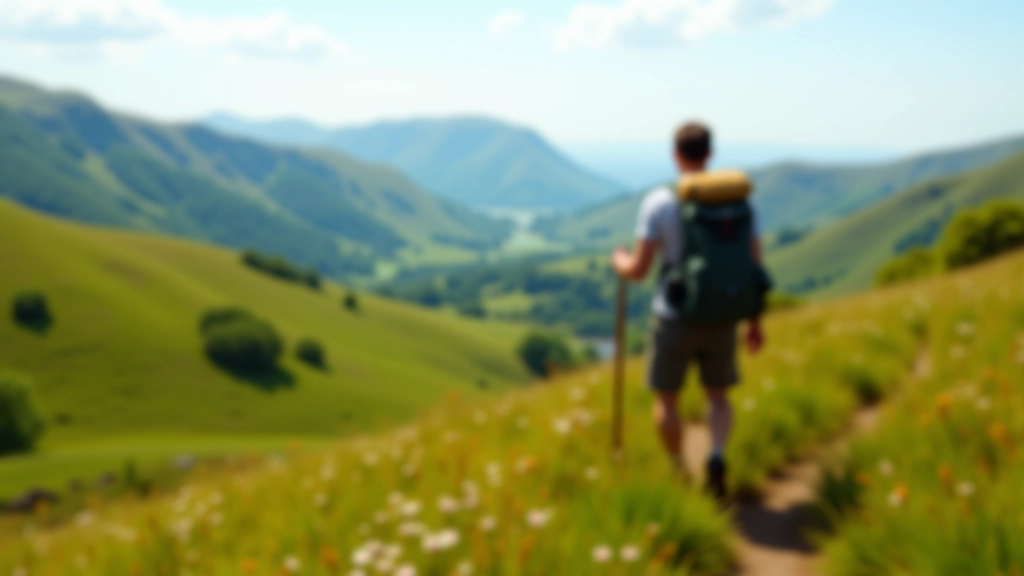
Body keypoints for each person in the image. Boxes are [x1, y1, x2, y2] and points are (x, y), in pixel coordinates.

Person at [610, 121, 764, 498]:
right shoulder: (740, 204)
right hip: (723, 314)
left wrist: (620, 262)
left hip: (673, 315)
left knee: (666, 399)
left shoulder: (661, 202)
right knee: (718, 396)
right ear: (710, 154)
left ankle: (679, 468)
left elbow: (640, 270)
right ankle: (716, 454)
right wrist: (754, 321)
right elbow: (753, 264)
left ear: (675, 155)